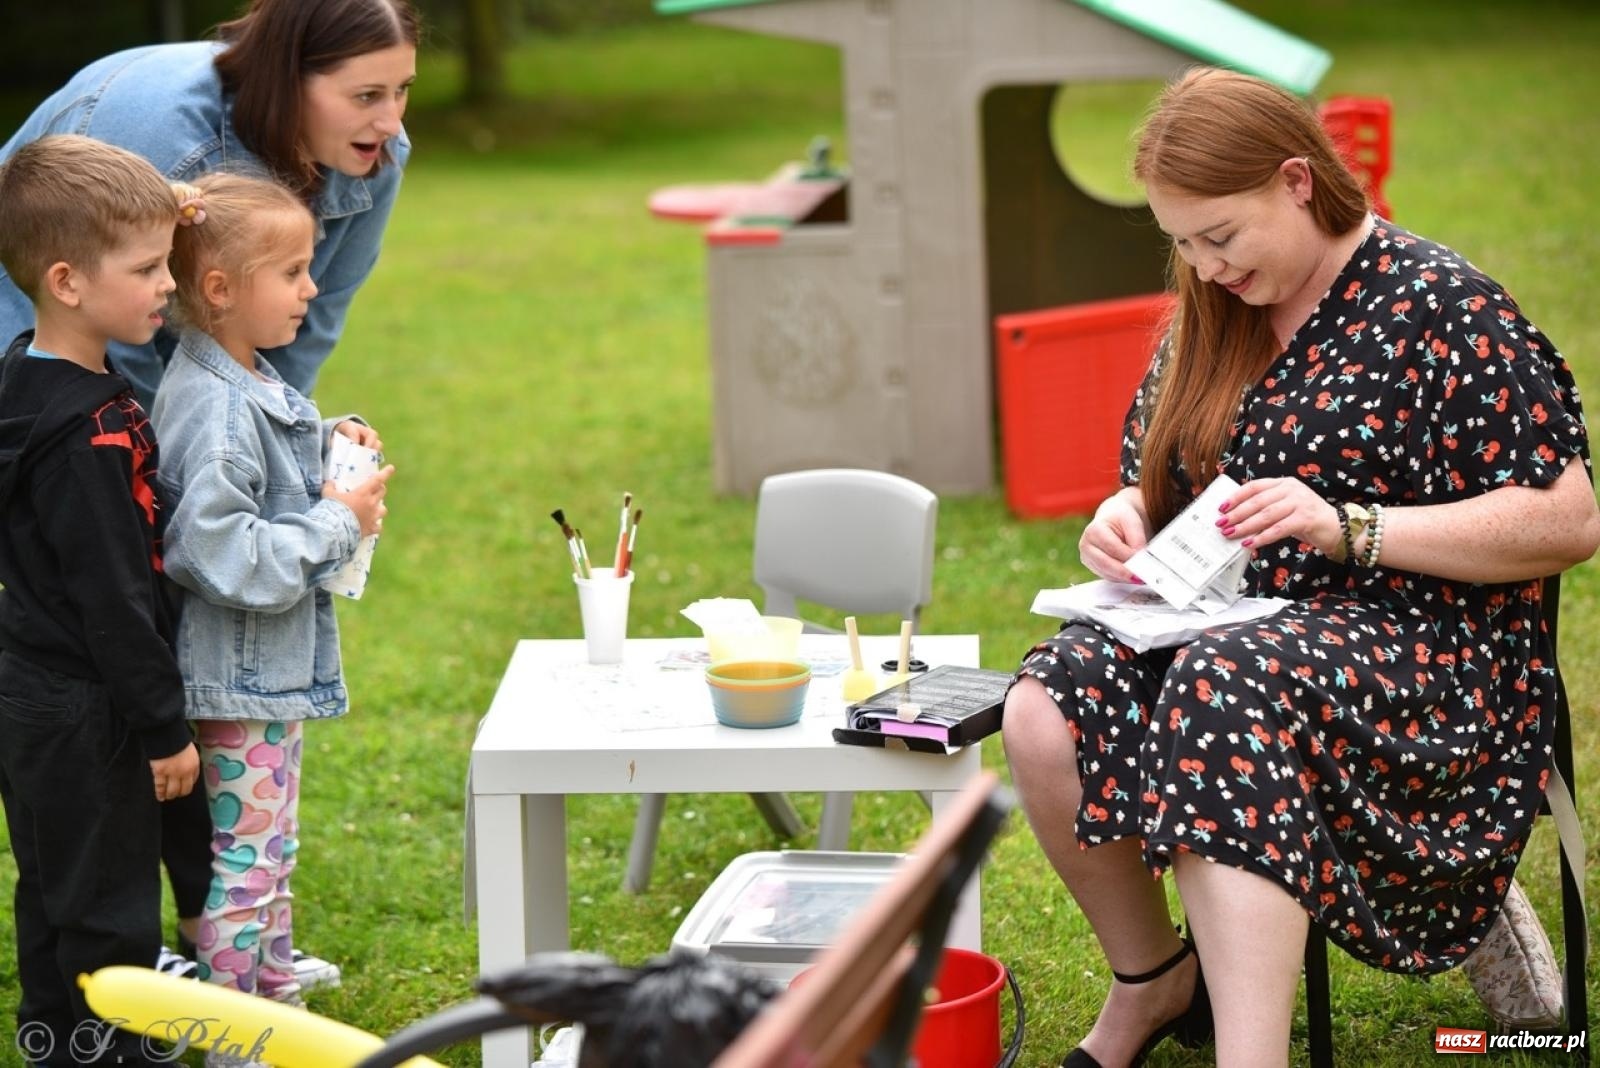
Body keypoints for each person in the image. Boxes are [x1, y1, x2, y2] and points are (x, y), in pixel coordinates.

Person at [1001, 67, 1600, 1068]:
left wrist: (1350, 529)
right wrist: (1125, 515)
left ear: (1294, 181)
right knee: (1045, 705)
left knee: (1222, 687)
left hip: (1429, 655)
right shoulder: (1216, 309)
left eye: (1219, 237)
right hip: (1235, 629)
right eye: (1183, 244)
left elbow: (1567, 520)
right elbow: (1157, 478)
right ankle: (1153, 979)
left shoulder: (1441, 307)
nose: (1204, 267)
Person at [0, 0, 419, 987]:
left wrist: (288, 450)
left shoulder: (376, 157)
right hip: (69, 354)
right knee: (110, 637)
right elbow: (119, 365)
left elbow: (288, 346)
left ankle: (206, 928)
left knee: (151, 647)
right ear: (289, 81)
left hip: (134, 385)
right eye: (366, 94)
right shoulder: (154, 140)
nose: (392, 121)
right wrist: (242, 495)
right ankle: (151, 955)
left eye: (403, 91)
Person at [151, 170, 393, 1017]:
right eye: (291, 272)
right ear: (220, 290)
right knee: (246, 863)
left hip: (262, 676)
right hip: (236, 682)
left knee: (272, 847)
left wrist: (330, 438)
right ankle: (234, 1035)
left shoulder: (243, 376)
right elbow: (218, 550)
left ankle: (275, 988)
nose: (312, 288)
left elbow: (268, 461)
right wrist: (336, 522)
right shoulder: (214, 409)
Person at [0, 134, 202, 1067]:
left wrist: (164, 208)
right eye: (149, 267)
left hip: (29, 690)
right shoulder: (88, 437)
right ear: (69, 282)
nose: (169, 282)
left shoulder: (25, 378)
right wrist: (163, 729)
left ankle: (54, 1040)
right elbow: (115, 600)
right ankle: (110, 1051)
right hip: (92, 705)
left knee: (53, 885)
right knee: (111, 905)